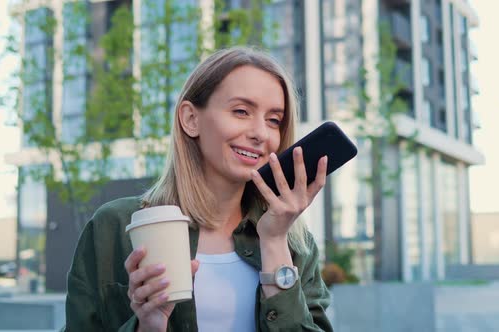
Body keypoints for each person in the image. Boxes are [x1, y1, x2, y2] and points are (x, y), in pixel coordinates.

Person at [63, 46, 333, 331]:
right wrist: (149, 326)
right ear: (191, 119)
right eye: (241, 111)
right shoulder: (115, 227)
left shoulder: (293, 242)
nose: (260, 133)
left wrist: (275, 243)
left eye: (273, 120)